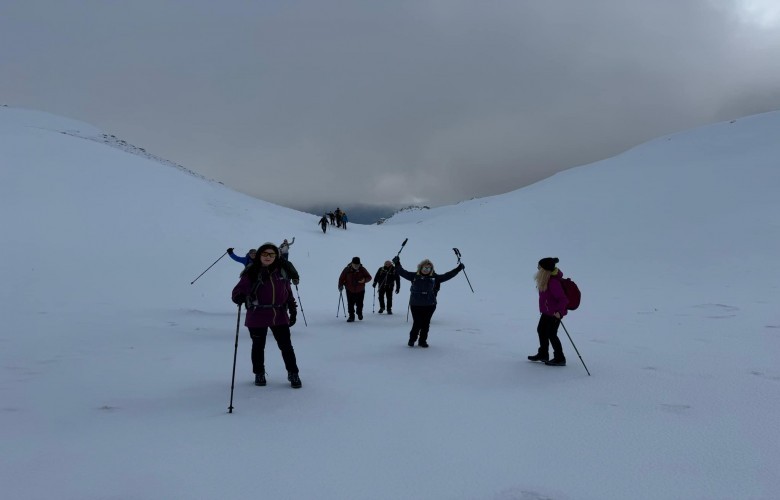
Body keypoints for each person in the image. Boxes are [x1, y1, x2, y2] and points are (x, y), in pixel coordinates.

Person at [231, 243, 302, 388]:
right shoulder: (251, 272)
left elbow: (288, 293)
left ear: (276, 256)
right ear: (259, 256)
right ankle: (259, 373)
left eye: (271, 254)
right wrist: (239, 297)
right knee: (258, 346)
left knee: (286, 346)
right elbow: (237, 291)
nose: (268, 257)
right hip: (257, 314)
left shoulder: (281, 272)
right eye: (265, 254)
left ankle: (293, 373)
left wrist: (293, 310)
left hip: (279, 314)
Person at [393, 256, 463, 348]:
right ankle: (412, 339)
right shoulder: (414, 276)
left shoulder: (434, 277)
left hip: (430, 304)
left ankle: (422, 341)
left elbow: (447, 275)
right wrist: (397, 263)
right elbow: (402, 272)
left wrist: (458, 269)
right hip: (415, 304)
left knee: (426, 323)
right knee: (417, 322)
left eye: (429, 268)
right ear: (420, 267)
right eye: (425, 267)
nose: (427, 270)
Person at [528, 257, 568, 366]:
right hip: (547, 313)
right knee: (541, 330)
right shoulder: (546, 280)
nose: (537, 268)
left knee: (552, 334)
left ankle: (560, 358)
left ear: (544, 269)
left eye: (539, 267)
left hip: (555, 314)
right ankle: (543, 354)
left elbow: (563, 299)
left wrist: (559, 312)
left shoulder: (553, 282)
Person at [338, 257, 372, 322]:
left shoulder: (362, 269)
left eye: (358, 264)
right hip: (349, 289)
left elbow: (369, 277)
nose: (356, 266)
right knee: (350, 303)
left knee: (360, 303)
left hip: (360, 290)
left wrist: (364, 280)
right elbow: (341, 278)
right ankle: (351, 316)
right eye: (355, 264)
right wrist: (340, 286)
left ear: (359, 264)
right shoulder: (347, 269)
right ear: (352, 263)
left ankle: (359, 313)